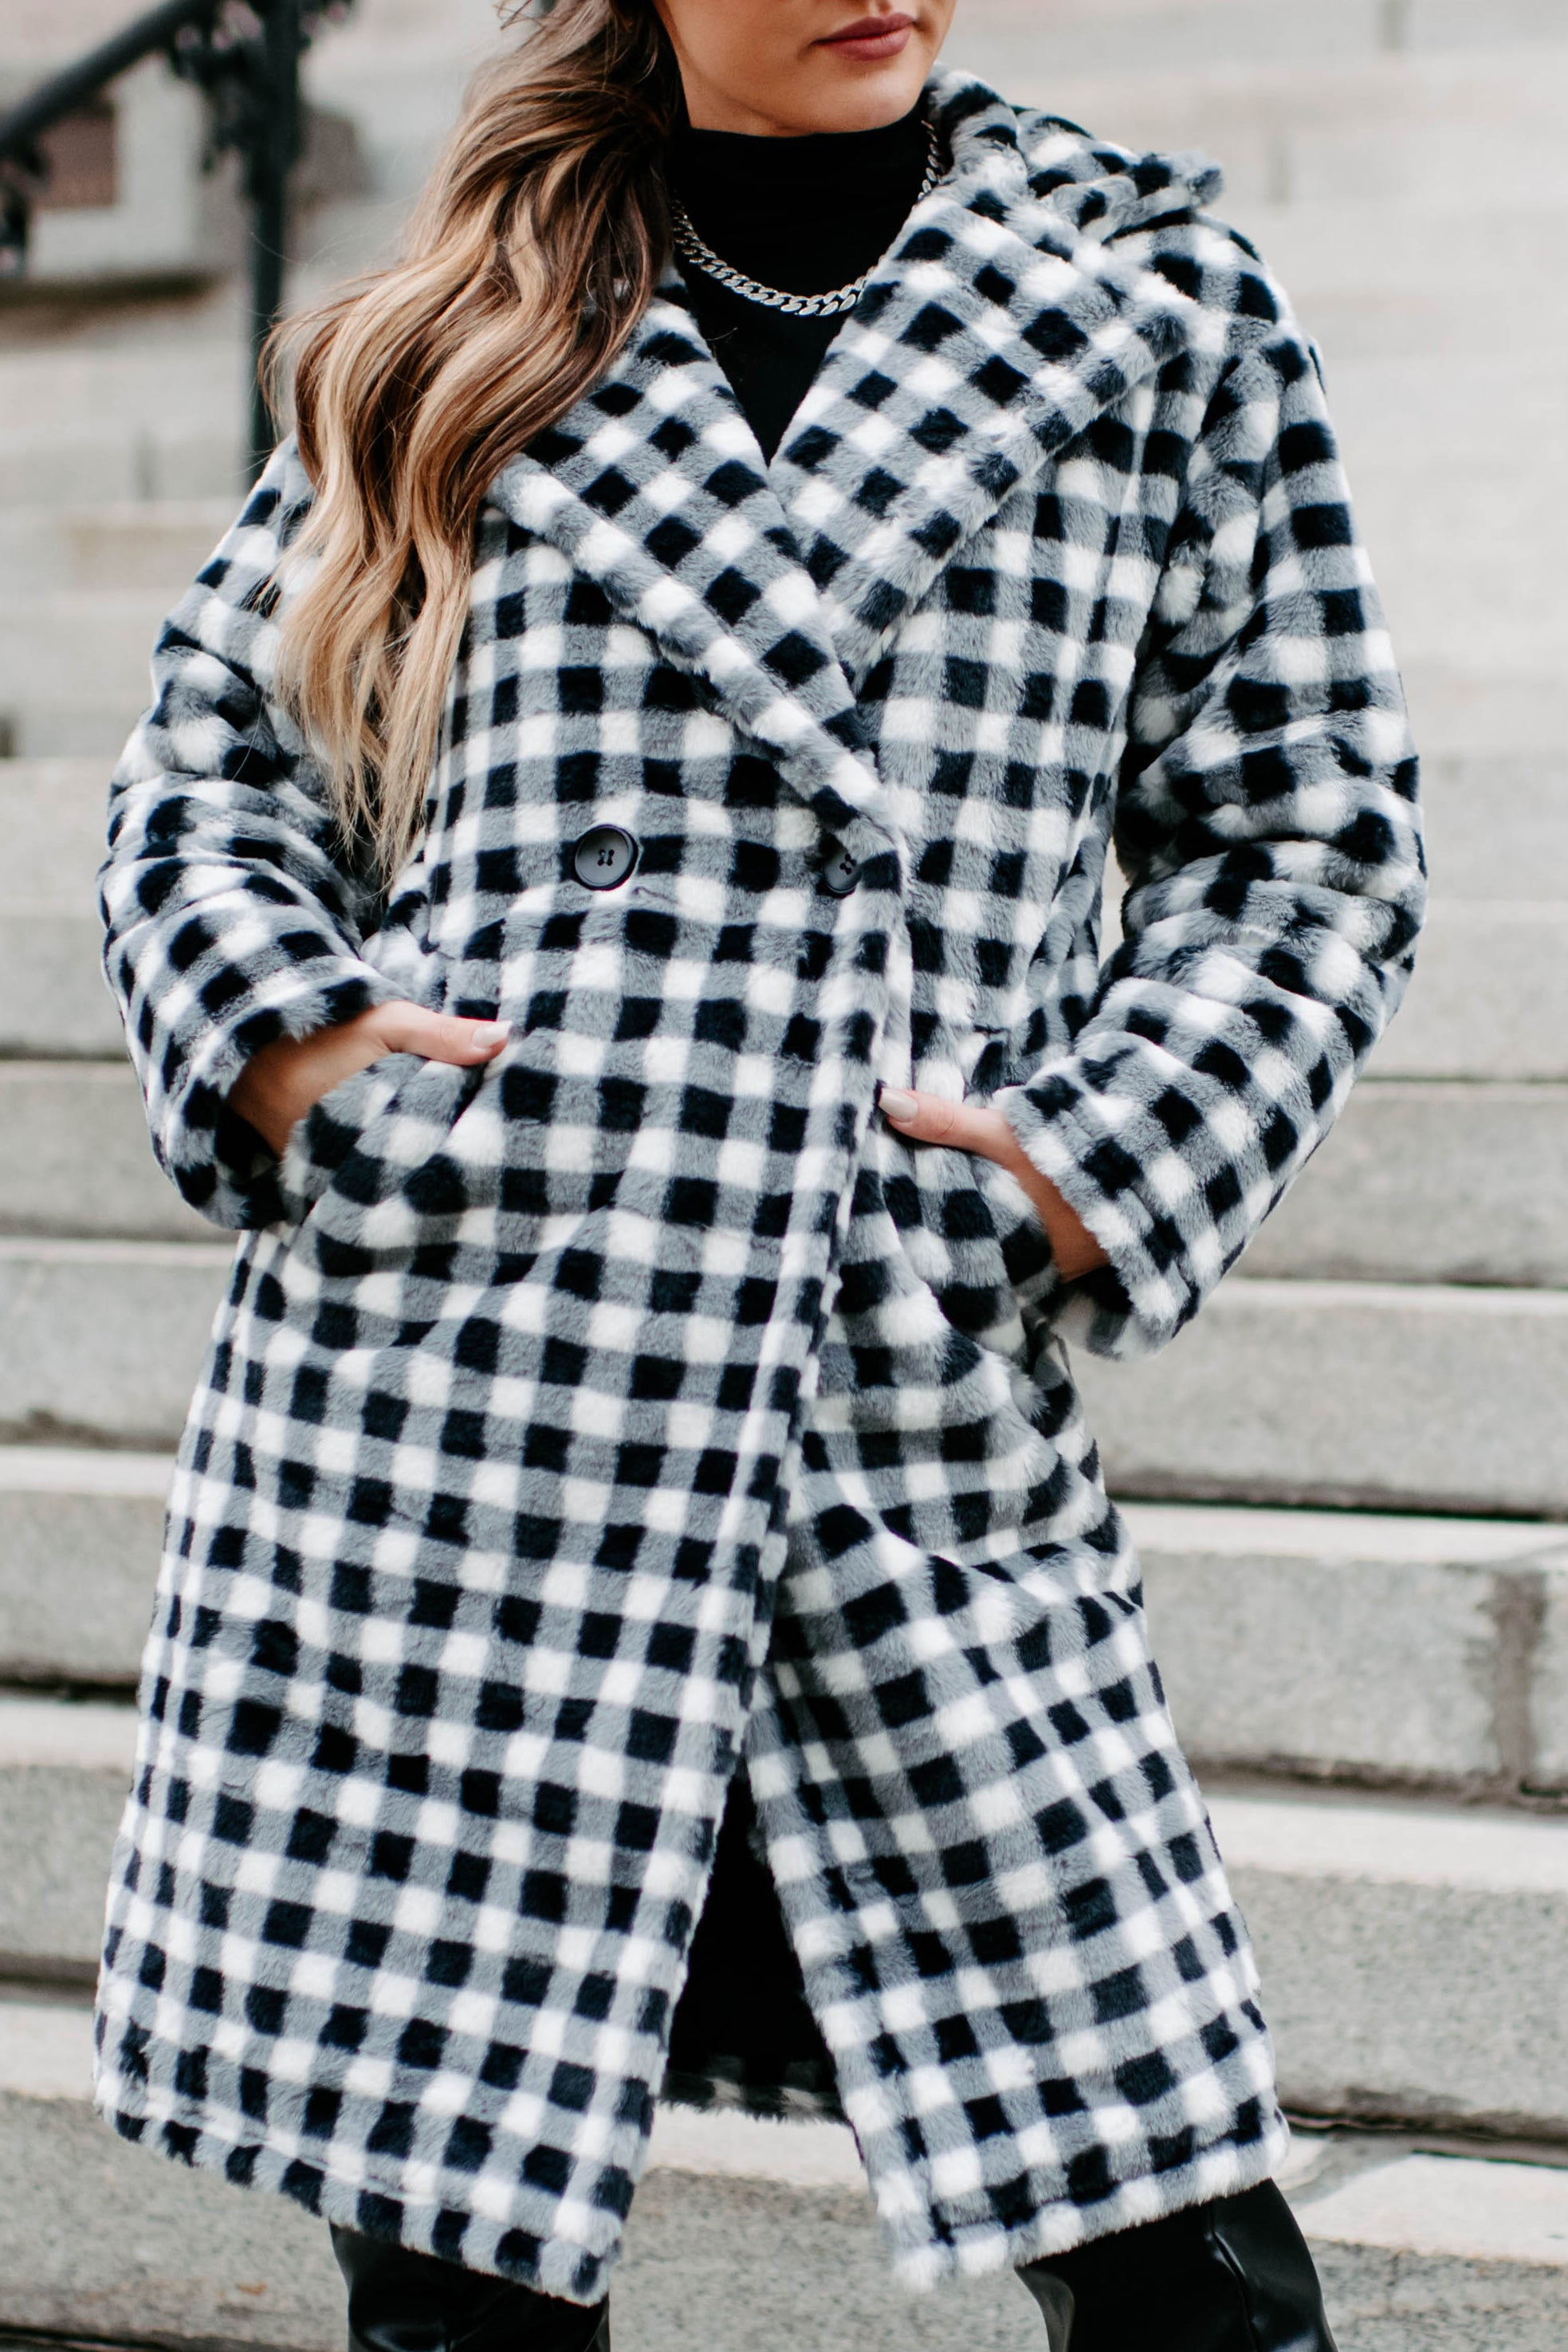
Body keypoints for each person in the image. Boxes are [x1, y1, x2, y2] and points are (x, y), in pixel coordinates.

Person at [94, 2, 1424, 2345]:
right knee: (458, 2291)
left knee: (1196, 2273)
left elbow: (1311, 845)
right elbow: (211, 769)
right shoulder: (460, 325)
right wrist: (299, 1053)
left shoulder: (1152, 306)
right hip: (465, 1419)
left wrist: (1080, 1170)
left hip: (891, 1401)